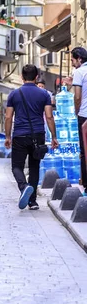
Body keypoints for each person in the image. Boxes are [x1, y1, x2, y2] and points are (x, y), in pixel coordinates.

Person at [5, 64, 59, 210]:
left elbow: (8, 117)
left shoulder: (14, 94)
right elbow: (49, 116)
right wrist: (54, 136)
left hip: (20, 135)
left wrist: (8, 136)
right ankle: (32, 202)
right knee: (35, 167)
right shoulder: (44, 94)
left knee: (17, 166)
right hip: (38, 135)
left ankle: (23, 187)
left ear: (22, 77)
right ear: (36, 77)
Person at [67, 47, 87, 196]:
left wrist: (76, 111)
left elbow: (78, 97)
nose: (72, 63)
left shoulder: (79, 72)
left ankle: (86, 185)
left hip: (84, 115)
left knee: (84, 151)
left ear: (79, 59)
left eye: (73, 60)